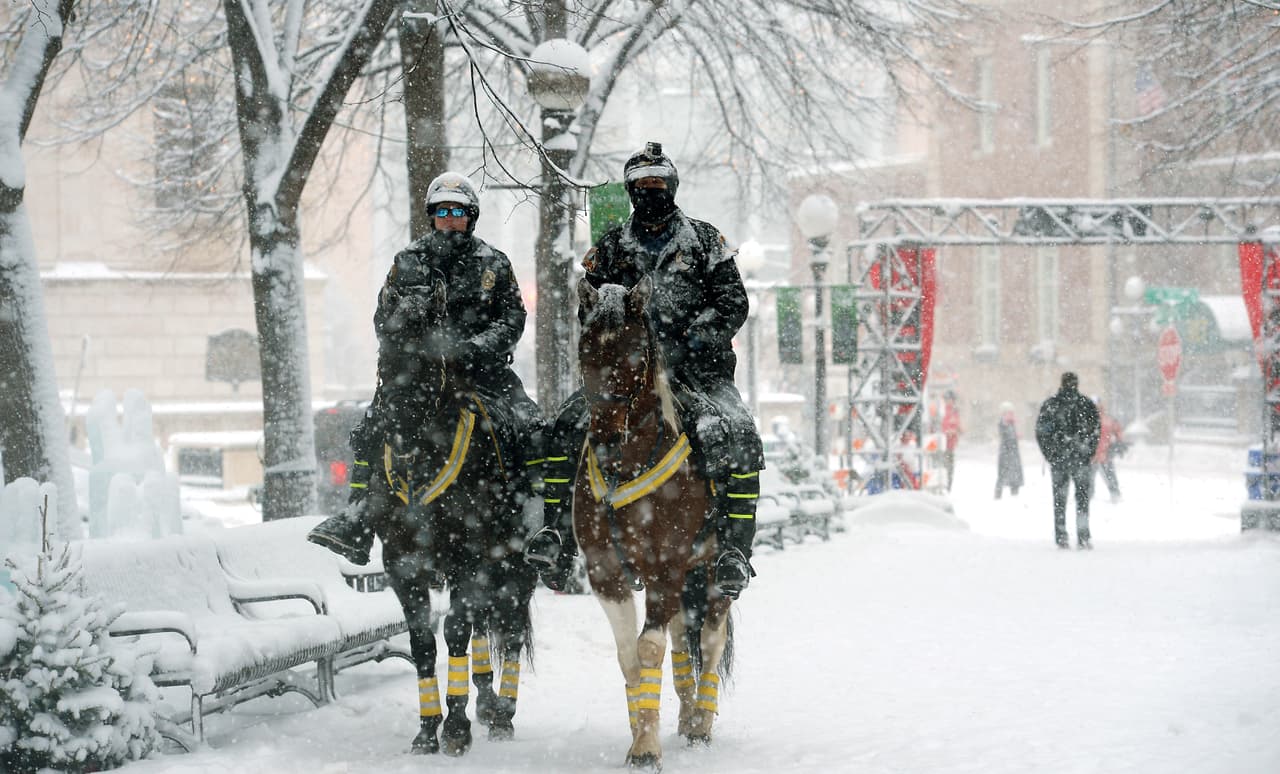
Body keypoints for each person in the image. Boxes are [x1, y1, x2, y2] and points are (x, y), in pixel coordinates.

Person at [523, 141, 764, 599]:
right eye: (642, 186)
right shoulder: (611, 247)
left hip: (698, 373)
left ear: (671, 187)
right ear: (631, 191)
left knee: (737, 433)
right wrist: (617, 345)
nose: (651, 193)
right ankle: (556, 531)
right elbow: (588, 308)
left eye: (658, 185)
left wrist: (694, 339)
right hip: (625, 375)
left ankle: (733, 548)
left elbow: (734, 303)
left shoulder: (705, 240)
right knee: (565, 427)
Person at [307, 171, 542, 564]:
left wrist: (473, 348)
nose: (450, 218)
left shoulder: (493, 263)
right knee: (372, 427)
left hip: (482, 375)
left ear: (471, 216)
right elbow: (383, 320)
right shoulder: (407, 262)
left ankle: (539, 522)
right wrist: (407, 328)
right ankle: (358, 515)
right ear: (431, 215)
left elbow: (512, 319)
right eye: (443, 211)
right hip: (418, 377)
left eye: (459, 211)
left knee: (531, 426)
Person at [1035, 372, 1101, 550]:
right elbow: (1095, 430)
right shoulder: (1086, 405)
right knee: (1082, 500)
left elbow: (1042, 432)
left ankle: (1061, 535)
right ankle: (1083, 535)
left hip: (1060, 461)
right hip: (1080, 459)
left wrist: (1051, 454)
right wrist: (1088, 452)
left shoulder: (1051, 405)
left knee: (1059, 500)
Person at [1091, 399, 1125, 504]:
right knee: (1108, 476)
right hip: (1101, 454)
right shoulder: (1107, 420)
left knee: (1090, 477)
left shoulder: (1089, 420)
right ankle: (1115, 494)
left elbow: (1118, 430)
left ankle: (1087, 495)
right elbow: (1118, 430)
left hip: (1098, 454)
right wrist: (1119, 442)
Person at [994, 401, 1024, 499]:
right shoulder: (1003, 422)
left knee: (1014, 474)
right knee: (1002, 474)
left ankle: (1014, 495)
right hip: (1006, 452)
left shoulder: (1012, 422)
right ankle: (998, 496)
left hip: (1013, 452)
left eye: (1011, 412)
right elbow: (1007, 435)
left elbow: (1014, 436)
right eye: (1008, 412)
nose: (1010, 414)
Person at [941, 391, 961, 492]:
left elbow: (958, 426)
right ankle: (943, 486)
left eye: (951, 400)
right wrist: (946, 432)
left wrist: (956, 431)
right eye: (947, 400)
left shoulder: (955, 412)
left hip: (950, 445)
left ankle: (948, 486)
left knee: (949, 468)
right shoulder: (942, 411)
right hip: (941, 445)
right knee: (943, 467)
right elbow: (940, 426)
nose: (949, 402)